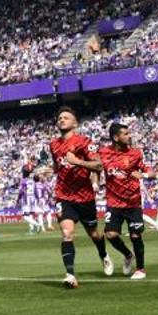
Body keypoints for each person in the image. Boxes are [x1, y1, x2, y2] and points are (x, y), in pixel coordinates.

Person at [49, 107, 112, 288]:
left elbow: (99, 165)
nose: (61, 120)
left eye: (66, 117)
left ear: (75, 123)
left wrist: (78, 162)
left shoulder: (84, 142)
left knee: (94, 234)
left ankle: (103, 255)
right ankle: (70, 274)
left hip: (84, 197)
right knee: (67, 234)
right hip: (63, 195)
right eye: (60, 117)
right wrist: (49, 170)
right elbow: (58, 166)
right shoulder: (53, 145)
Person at [98, 122, 148, 280]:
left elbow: (150, 171)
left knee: (135, 236)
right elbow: (96, 167)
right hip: (113, 203)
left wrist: (144, 175)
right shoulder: (103, 153)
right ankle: (127, 255)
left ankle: (140, 269)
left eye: (129, 133)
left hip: (133, 202)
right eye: (125, 134)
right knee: (111, 234)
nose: (129, 136)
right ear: (115, 137)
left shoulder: (135, 154)